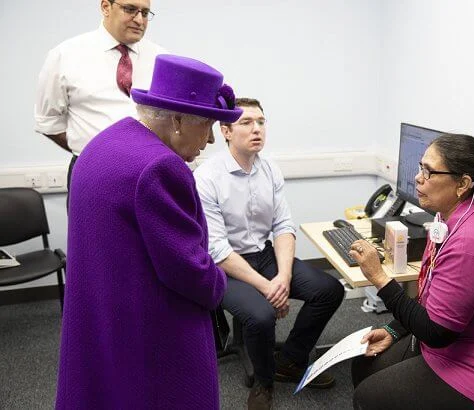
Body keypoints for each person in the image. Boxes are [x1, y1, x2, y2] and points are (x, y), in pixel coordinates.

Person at [55, 54, 242, 409]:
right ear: (176, 120)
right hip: (150, 333)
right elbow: (189, 272)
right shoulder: (161, 167)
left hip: (101, 315)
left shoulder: (102, 144)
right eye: (208, 125)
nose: (212, 140)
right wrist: (219, 280)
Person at [349, 134, 474, 410]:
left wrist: (380, 279)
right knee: (363, 365)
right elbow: (431, 301)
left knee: (367, 398)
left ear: (463, 184)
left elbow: (436, 332)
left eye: (428, 172)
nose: (418, 178)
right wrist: (394, 330)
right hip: (458, 346)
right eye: (420, 168)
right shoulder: (444, 222)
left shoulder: (472, 242)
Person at [194, 98, 345, 410]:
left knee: (329, 290)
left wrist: (283, 278)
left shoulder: (270, 169)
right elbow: (217, 249)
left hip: (264, 256)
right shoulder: (207, 177)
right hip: (224, 266)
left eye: (261, 122)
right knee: (261, 315)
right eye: (246, 122)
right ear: (225, 130)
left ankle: (290, 359)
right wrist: (268, 289)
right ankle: (264, 382)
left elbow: (283, 225)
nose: (257, 129)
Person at [34, 0, 166, 190]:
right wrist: (95, 153)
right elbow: (48, 122)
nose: (139, 20)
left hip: (150, 173)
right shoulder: (66, 55)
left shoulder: (161, 59)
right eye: (130, 10)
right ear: (106, 7)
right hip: (91, 174)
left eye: (145, 13)